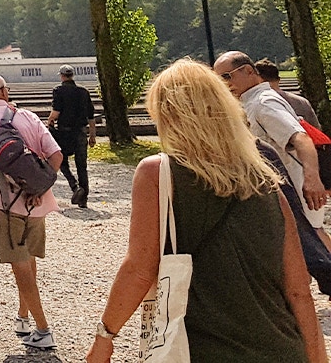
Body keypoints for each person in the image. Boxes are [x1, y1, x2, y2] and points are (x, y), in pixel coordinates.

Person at [85, 59, 327, 363]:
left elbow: (139, 269)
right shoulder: (266, 180)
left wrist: (105, 337)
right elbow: (298, 289)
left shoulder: (158, 174)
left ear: (168, 115)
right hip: (280, 348)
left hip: (199, 348)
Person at [0, 73, 64, 351]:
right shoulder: (28, 118)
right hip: (37, 204)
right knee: (28, 260)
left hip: (3, 205)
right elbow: (57, 156)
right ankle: (23, 316)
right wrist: (40, 187)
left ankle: (43, 329)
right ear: (5, 91)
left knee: (19, 265)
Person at [215, 51, 330, 250]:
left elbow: (301, 138)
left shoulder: (263, 102)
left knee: (310, 245)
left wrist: (312, 178)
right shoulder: (253, 101)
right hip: (282, 193)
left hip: (293, 191)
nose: (225, 84)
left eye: (227, 76)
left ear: (248, 70)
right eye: (219, 80)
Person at [46, 64, 96, 207]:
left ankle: (75, 186)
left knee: (62, 162)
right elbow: (91, 117)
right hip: (80, 132)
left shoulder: (58, 91)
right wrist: (92, 135)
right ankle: (83, 200)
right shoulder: (84, 92)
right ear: (72, 75)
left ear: (62, 76)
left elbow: (56, 113)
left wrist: (49, 122)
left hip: (65, 133)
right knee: (82, 166)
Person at [257, 58, 321, 130]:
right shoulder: (302, 102)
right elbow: (316, 130)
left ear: (259, 80)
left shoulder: (257, 104)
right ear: (279, 79)